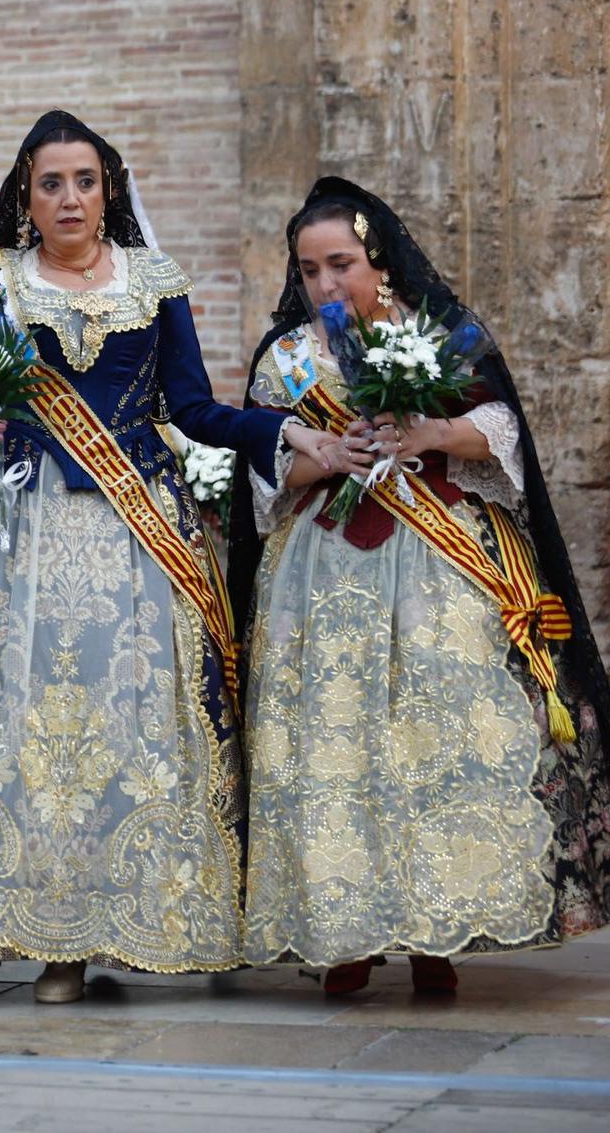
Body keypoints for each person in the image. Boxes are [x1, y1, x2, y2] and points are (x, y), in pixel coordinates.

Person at [0, 111, 343, 1003]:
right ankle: (59, 942)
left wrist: (284, 435)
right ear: (26, 194)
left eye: (85, 181)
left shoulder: (155, 281)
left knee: (137, 723)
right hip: (20, 537)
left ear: (110, 189)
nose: (70, 199)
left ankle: (155, 913)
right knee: (35, 732)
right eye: (50, 184)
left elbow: (196, 407)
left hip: (140, 535)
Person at [231, 177, 610, 994]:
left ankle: (438, 926)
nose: (326, 285)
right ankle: (345, 931)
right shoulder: (288, 358)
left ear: (380, 261)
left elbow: (501, 430)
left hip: (437, 565)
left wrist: (430, 430)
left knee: (432, 733)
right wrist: (326, 454)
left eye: (340, 265)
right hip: (323, 568)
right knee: (332, 739)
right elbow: (262, 470)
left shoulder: (439, 336)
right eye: (309, 270)